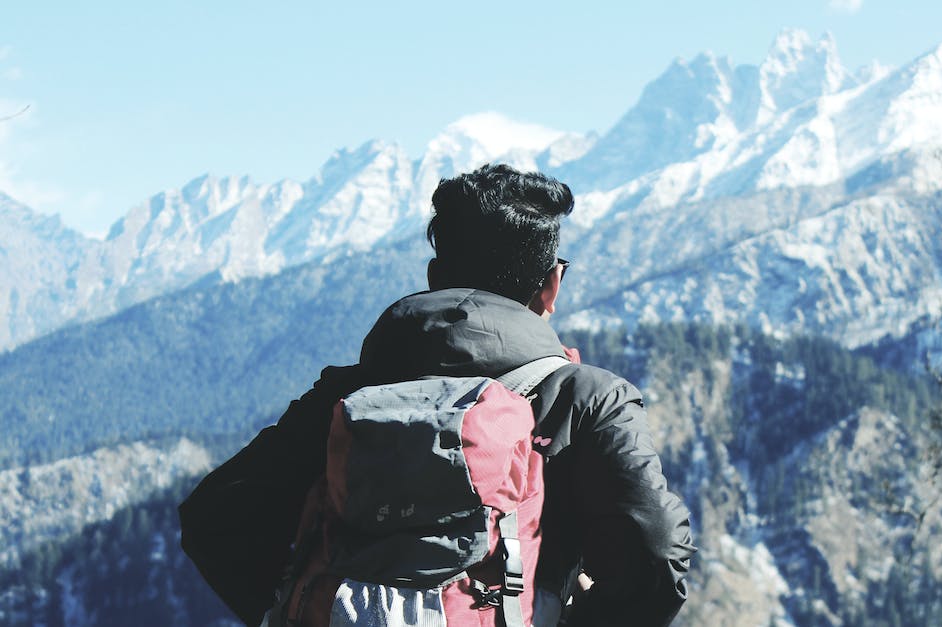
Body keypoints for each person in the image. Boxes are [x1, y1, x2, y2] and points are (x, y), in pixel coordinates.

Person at [179, 163, 695, 627]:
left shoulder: (349, 394)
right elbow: (656, 554)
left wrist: (294, 608)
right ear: (551, 286)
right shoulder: (585, 398)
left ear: (433, 279)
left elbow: (214, 517)